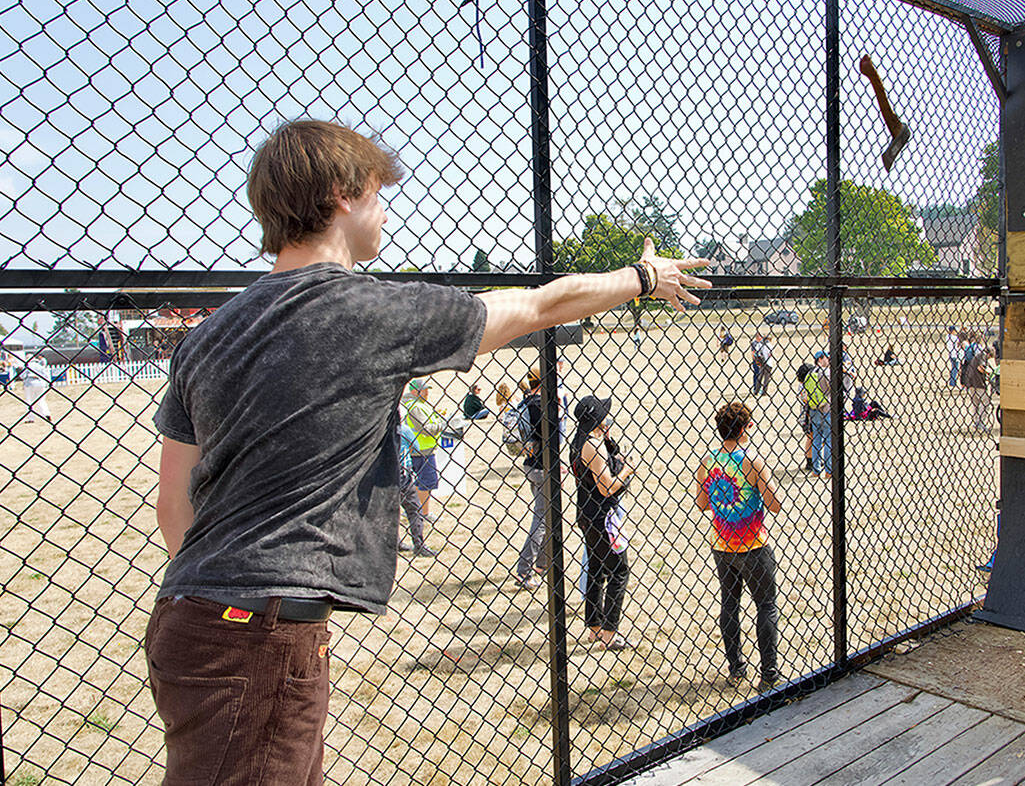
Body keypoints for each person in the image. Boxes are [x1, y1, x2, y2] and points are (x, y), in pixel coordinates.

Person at [148, 119, 709, 783]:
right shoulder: (375, 311)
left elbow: (172, 502)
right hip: (262, 631)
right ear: (340, 194)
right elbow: (538, 305)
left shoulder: (209, 336)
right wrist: (641, 276)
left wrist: (225, 599)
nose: (384, 211)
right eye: (378, 194)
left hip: (191, 617)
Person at [695, 401, 782, 689]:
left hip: (722, 544)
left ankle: (736, 667)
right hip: (753, 544)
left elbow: (702, 504)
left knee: (729, 604)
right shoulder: (752, 461)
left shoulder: (707, 462)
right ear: (745, 429)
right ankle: (769, 673)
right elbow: (774, 505)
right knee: (766, 605)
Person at [570, 395, 636, 651]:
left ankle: (595, 627)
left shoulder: (581, 441)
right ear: (597, 419)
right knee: (619, 571)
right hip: (602, 518)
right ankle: (609, 632)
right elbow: (607, 486)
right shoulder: (593, 446)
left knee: (597, 570)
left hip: (588, 513)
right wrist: (627, 470)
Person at [513, 367, 547, 590]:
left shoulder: (524, 403)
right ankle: (524, 570)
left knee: (547, 517)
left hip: (531, 465)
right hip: (542, 468)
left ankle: (543, 564)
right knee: (542, 520)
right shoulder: (540, 406)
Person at [402, 378, 445, 521]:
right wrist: (441, 424)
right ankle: (423, 513)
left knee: (415, 482)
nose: (427, 393)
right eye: (424, 390)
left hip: (418, 448)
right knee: (426, 482)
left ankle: (414, 510)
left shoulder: (415, 404)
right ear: (416, 391)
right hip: (422, 450)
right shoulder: (415, 406)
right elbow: (426, 428)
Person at [395, 408, 434, 557]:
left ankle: (396, 541)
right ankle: (419, 544)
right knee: (414, 509)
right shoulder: (404, 430)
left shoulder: (382, 432)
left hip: (386, 475)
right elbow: (416, 447)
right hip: (403, 474)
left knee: (393, 510)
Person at [805, 351, 832, 479]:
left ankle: (816, 470)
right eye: (826, 357)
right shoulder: (825, 372)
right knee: (828, 440)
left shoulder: (810, 373)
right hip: (826, 407)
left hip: (814, 408)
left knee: (816, 439)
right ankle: (829, 470)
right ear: (821, 359)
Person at [16, 349, 53, 424]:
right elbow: (46, 375)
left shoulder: (27, 366)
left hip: (29, 384)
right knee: (41, 400)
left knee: (29, 401)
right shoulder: (39, 365)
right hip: (41, 383)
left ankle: (30, 417)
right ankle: (46, 413)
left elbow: (23, 376)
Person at [795, 362, 814, 472]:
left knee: (811, 438)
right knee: (811, 438)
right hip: (807, 416)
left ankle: (812, 459)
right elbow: (806, 400)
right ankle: (810, 461)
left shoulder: (802, 385)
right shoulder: (805, 386)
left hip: (805, 416)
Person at [750, 332, 772, 397]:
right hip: (768, 363)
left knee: (760, 377)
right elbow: (770, 354)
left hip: (762, 362)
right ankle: (763, 392)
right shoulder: (769, 345)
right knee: (766, 378)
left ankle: (756, 390)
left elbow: (755, 352)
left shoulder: (760, 344)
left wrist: (757, 358)